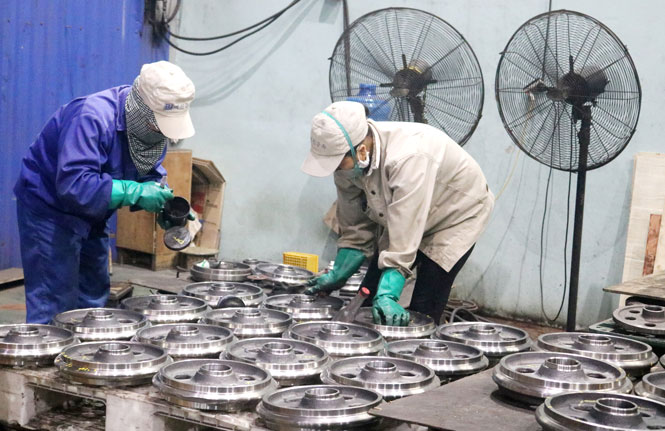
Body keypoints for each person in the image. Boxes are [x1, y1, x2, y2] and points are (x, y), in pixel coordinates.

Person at [14, 61, 196, 323]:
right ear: (141, 110)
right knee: (53, 300)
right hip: (50, 209)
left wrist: (162, 198)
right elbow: (75, 185)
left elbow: (145, 168)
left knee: (93, 295)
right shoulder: (90, 117)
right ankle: (45, 347)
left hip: (93, 211)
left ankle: (89, 345)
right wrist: (136, 191)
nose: (161, 133)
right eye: (158, 125)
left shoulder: (149, 131)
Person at [302, 101, 494, 326]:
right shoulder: (347, 164)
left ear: (361, 150)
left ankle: (420, 344)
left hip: (454, 215)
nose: (335, 169)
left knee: (423, 308)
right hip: (406, 216)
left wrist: (388, 295)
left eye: (337, 163)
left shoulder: (408, 157)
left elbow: (404, 235)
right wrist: (339, 273)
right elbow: (355, 227)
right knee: (367, 300)